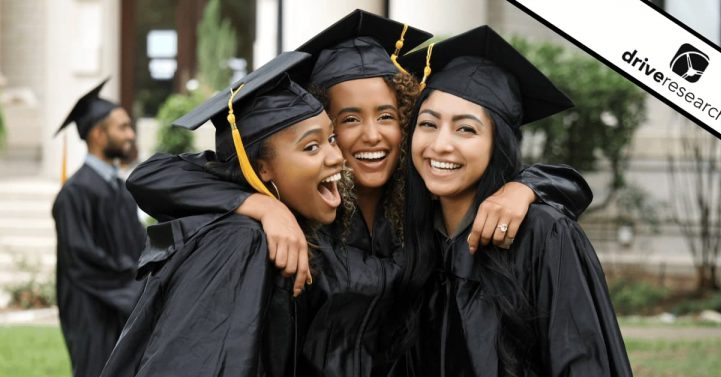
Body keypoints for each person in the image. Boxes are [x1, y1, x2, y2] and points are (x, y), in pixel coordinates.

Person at [122, 11, 593, 376]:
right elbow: (155, 176)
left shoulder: (419, 204)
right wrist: (262, 205)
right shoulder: (302, 207)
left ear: (405, 120)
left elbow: (523, 181)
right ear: (323, 125)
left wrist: (525, 187)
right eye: (348, 120)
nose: (373, 135)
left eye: (387, 116)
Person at [400, 26, 633, 376]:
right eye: (428, 124)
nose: (441, 145)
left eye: (466, 129)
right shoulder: (413, 236)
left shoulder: (542, 235)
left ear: (499, 144)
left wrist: (529, 186)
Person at [100, 51, 346, 376]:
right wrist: (263, 205)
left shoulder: (290, 230)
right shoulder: (239, 240)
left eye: (331, 138)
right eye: (311, 147)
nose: (337, 156)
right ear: (261, 168)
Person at [51, 78, 146, 377]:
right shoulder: (74, 194)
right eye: (122, 127)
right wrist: (134, 285)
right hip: (93, 312)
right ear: (97, 134)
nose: (131, 135)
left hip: (123, 304)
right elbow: (81, 261)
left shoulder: (119, 188)